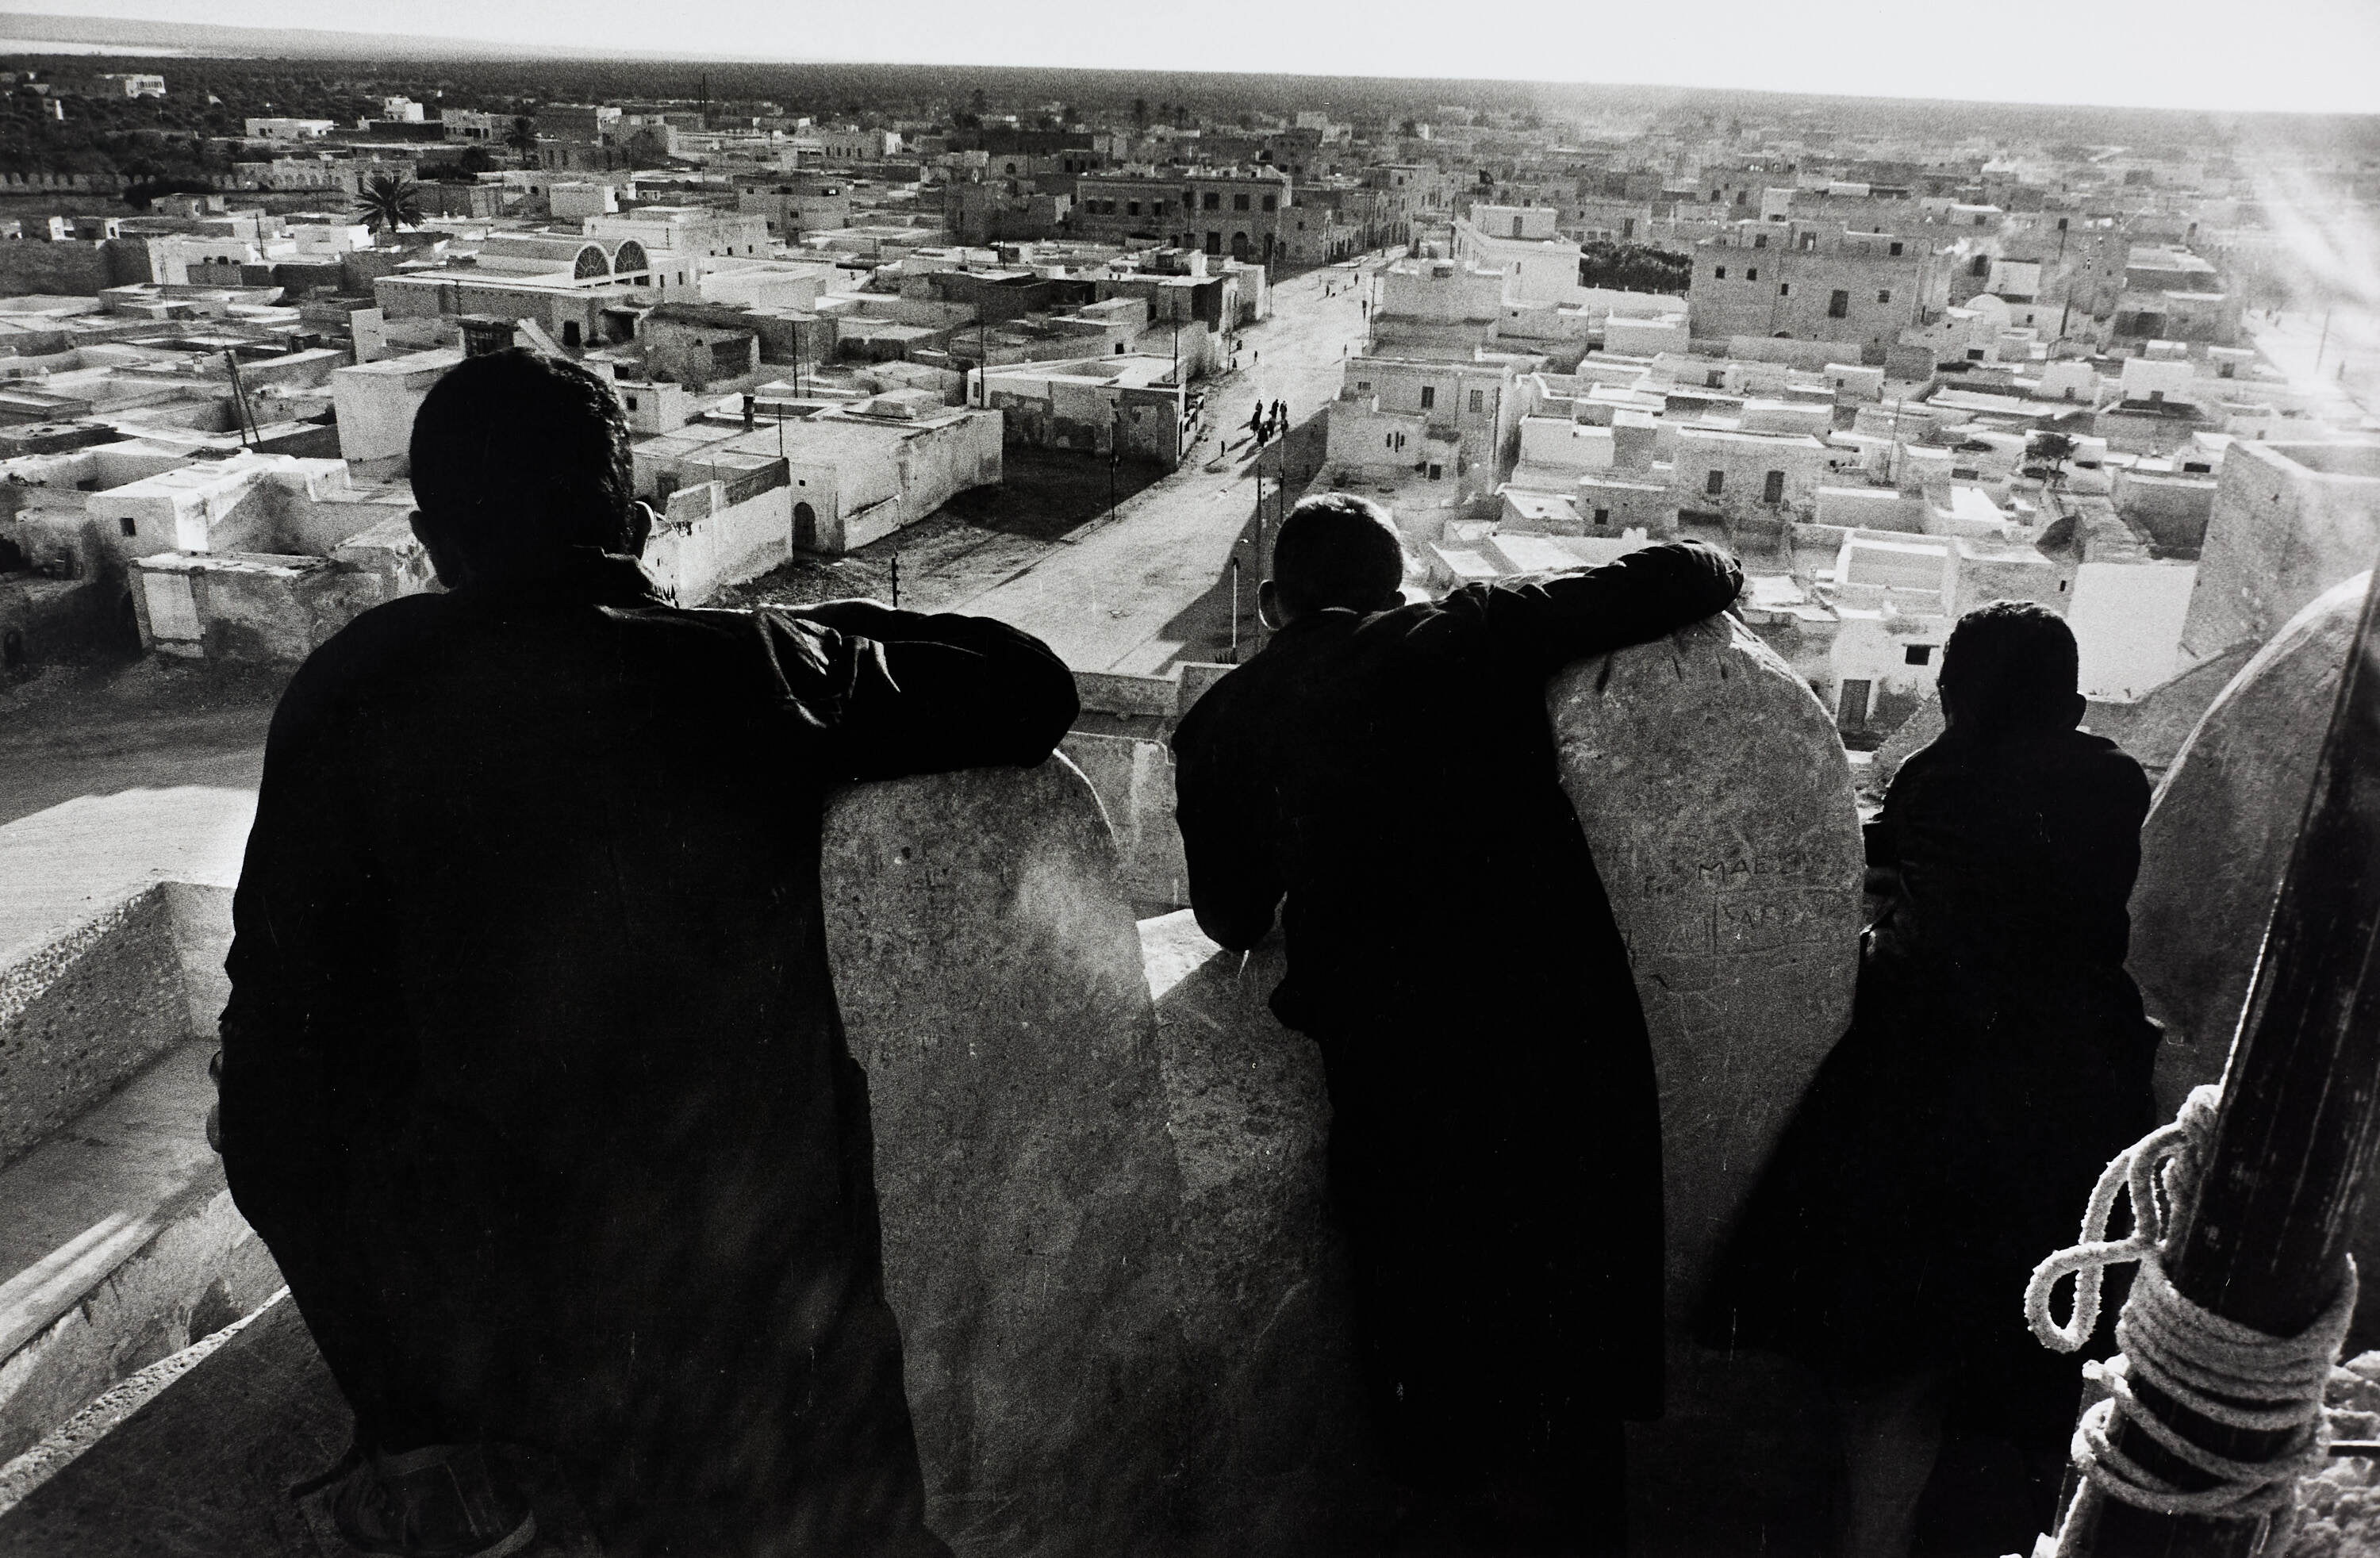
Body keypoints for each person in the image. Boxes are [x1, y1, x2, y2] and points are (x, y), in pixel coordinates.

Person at [216, 349, 1079, 1558]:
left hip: (507, 1384)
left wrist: (405, 1412)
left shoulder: (350, 689)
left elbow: (268, 1101)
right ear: (632, 519)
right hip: (771, 1366)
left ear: (427, 536)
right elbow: (1026, 684)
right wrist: (781, 633)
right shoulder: (746, 674)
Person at [1171, 495, 1742, 1556]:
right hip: (1565, 1076)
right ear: (1400, 585)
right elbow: (1692, 572)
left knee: (1433, 1410)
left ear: (1268, 603)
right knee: (1571, 1411)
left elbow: (1230, 916)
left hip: (1402, 1096)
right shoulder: (1475, 630)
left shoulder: (1227, 718)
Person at [1698, 601, 2161, 1558]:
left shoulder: (1935, 778)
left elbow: (1889, 861)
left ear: (1955, 695)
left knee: (1892, 1367)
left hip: (1925, 1083)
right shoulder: (2116, 782)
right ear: (2071, 702)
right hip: (2076, 1085)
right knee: (2046, 1349)